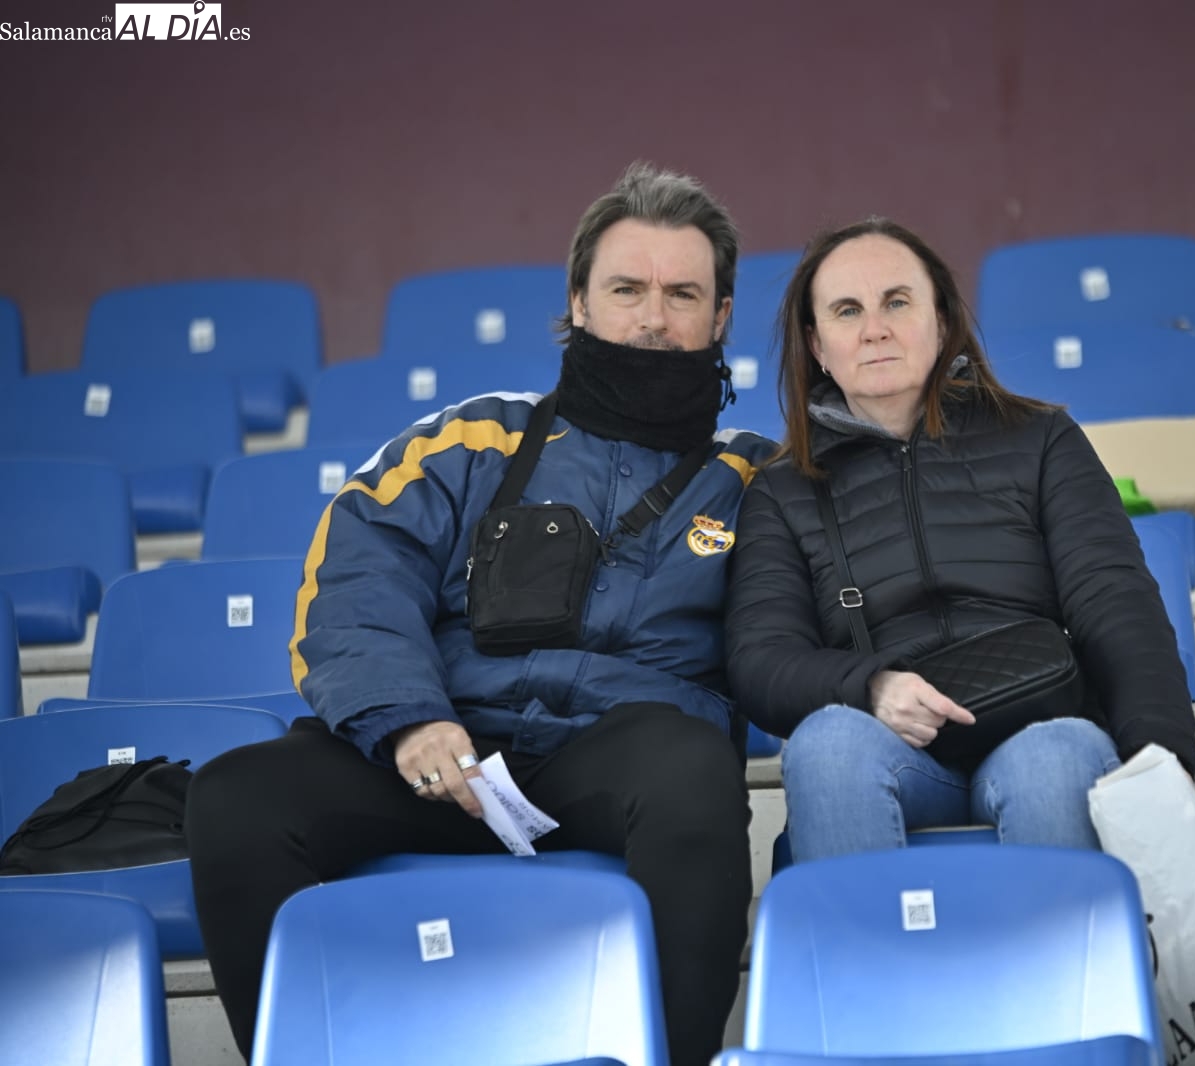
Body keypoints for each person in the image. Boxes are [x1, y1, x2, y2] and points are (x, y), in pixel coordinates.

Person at [187, 162, 772, 1065]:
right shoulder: (473, 439)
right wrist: (410, 719)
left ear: (721, 316)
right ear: (579, 301)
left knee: (693, 776)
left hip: (618, 760)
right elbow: (358, 577)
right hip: (441, 750)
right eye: (627, 289)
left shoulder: (756, 481)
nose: (653, 318)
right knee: (235, 799)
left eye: (682, 294)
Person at [724, 217, 1195, 864]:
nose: (874, 328)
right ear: (817, 345)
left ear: (941, 321)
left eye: (897, 302)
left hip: (1039, 724)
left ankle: (1065, 937)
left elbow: (1115, 603)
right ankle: (865, 938)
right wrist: (871, 687)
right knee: (826, 746)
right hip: (893, 748)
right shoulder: (782, 492)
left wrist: (1162, 763)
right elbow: (761, 660)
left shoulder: (1041, 439)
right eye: (847, 310)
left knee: (1055, 760)